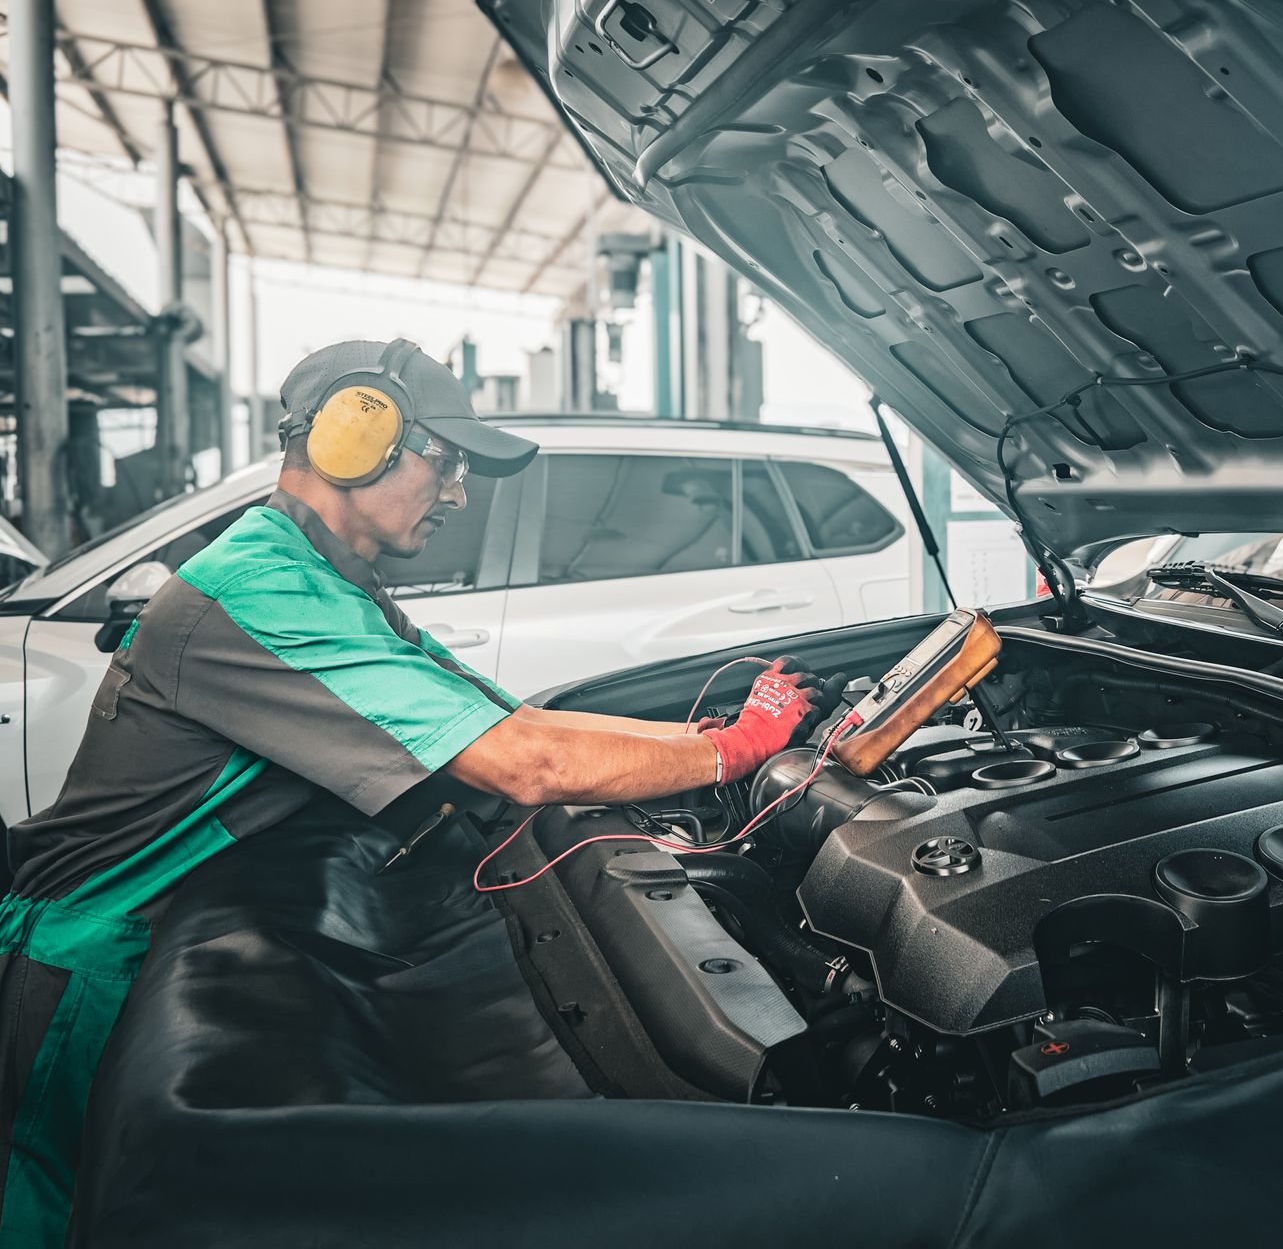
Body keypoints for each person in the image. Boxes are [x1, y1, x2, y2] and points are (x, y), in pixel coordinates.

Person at [0, 339, 840, 1246]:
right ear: (353, 441)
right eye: (446, 461)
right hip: (88, 961)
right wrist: (737, 753)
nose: (459, 492)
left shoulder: (330, 583)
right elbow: (528, 766)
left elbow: (513, 720)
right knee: (55, 1214)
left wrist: (723, 739)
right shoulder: (255, 589)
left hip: (154, 938)